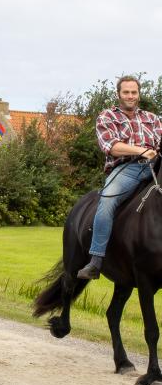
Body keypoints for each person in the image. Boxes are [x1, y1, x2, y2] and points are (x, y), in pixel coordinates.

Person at [77, 76, 162, 280]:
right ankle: (96, 261)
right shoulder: (107, 116)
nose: (130, 96)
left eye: (134, 92)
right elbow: (111, 147)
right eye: (126, 92)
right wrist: (141, 151)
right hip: (128, 168)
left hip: (156, 166)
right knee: (107, 200)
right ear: (119, 94)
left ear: (139, 94)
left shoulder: (153, 118)